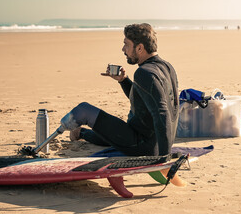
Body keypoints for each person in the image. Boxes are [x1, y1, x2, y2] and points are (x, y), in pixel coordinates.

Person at [58, 23, 179, 156]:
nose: (123, 49)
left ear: (139, 48)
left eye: (126, 44)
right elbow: (145, 101)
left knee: (84, 110)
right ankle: (81, 133)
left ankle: (42, 144)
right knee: (114, 133)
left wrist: (164, 158)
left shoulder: (144, 73)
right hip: (149, 140)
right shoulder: (167, 67)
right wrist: (123, 80)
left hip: (142, 144)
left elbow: (162, 114)